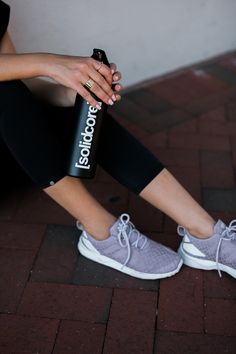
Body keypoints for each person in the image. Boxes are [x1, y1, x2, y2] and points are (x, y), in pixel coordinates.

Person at [0, 0, 235, 280]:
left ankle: (206, 236)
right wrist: (51, 63)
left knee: (77, 102)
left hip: (14, 142)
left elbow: (23, 85)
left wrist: (76, 95)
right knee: (4, 97)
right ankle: (100, 233)